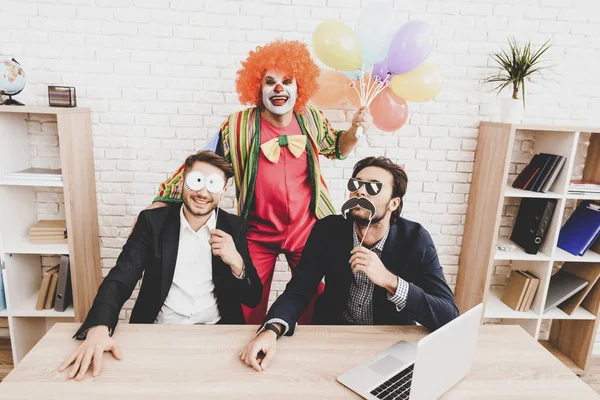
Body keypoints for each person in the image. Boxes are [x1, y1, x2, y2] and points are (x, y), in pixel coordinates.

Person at [147, 40, 372, 325]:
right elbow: (204, 162)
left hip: (306, 229)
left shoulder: (311, 118)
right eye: (270, 81)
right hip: (257, 231)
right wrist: (164, 198)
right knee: (245, 299)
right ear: (257, 87)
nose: (279, 88)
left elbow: (337, 147)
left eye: (287, 81)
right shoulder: (238, 124)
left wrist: (355, 128)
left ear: (299, 87)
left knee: (312, 298)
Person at [239, 156, 459, 372]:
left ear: (394, 203)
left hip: (389, 343)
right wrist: (271, 330)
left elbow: (449, 315)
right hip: (333, 336)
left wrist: (391, 281)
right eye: (356, 184)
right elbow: (299, 290)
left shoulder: (415, 240)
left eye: (373, 187)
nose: (360, 192)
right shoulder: (328, 230)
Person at [59, 151, 262, 380]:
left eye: (212, 185)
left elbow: (253, 297)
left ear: (223, 191)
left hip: (216, 333)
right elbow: (121, 277)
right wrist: (99, 327)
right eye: (196, 181)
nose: (203, 192)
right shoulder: (151, 223)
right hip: (158, 331)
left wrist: (236, 261)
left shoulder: (234, 227)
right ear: (183, 182)